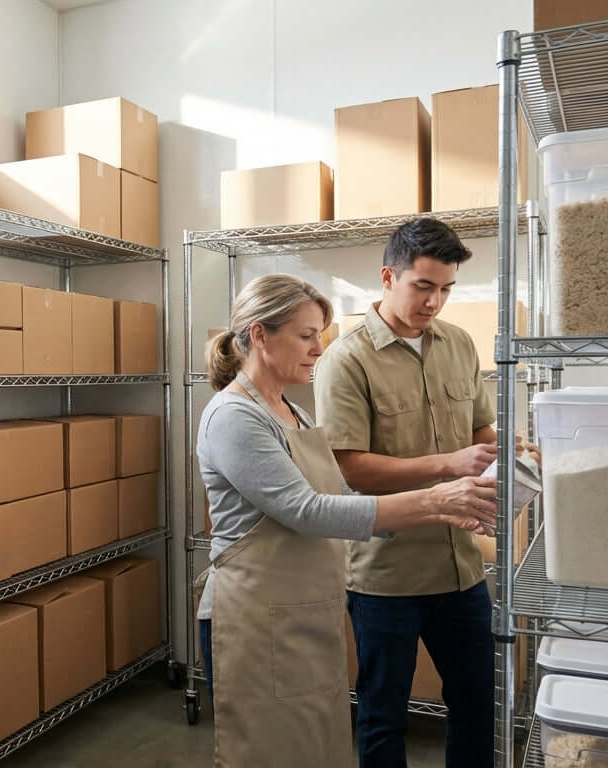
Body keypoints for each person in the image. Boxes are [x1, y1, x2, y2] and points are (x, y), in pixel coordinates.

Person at [197, 273, 498, 767]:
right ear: (259, 334)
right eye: (306, 334)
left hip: (301, 610)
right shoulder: (234, 417)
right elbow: (308, 511)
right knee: (266, 752)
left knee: (313, 748)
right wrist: (438, 499)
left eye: (321, 334)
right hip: (252, 618)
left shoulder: (291, 410)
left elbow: (342, 497)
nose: (319, 348)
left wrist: (449, 510)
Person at [314, 218, 503, 768]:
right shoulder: (345, 360)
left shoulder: (460, 344)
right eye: (423, 286)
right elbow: (350, 469)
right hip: (386, 576)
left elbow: (480, 431)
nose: (435, 302)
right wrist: (448, 463)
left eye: (446, 289)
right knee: (383, 713)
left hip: (461, 568)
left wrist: (511, 451)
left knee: (476, 701)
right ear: (388, 276)